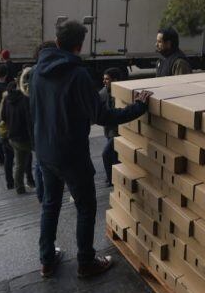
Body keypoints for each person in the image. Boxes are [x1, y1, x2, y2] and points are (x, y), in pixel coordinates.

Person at [31, 20, 151, 279]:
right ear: (79, 45)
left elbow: (35, 112)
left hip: (44, 151)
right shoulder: (77, 75)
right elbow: (101, 115)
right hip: (71, 155)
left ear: (58, 40)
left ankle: (47, 260)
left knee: (50, 205)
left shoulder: (37, 71)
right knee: (85, 206)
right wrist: (138, 108)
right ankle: (85, 262)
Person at [18, 40, 57, 203]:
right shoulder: (47, 84)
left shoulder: (27, 90)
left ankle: (41, 196)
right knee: (44, 168)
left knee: (39, 167)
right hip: (45, 135)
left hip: (35, 134)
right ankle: (46, 195)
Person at [1, 81, 35, 194]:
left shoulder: (6, 100)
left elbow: (3, 116)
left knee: (19, 164)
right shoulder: (24, 100)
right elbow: (29, 120)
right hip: (25, 137)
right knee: (39, 160)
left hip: (12, 136)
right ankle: (34, 182)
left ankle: (19, 187)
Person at [99, 67, 124, 187]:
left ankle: (111, 180)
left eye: (107, 79)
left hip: (118, 132)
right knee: (115, 156)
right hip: (109, 131)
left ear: (115, 80)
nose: (104, 82)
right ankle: (114, 177)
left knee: (106, 154)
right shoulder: (104, 92)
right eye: (104, 79)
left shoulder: (121, 93)